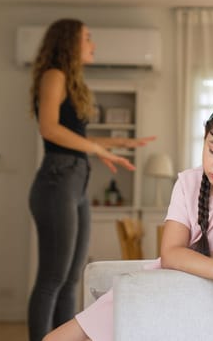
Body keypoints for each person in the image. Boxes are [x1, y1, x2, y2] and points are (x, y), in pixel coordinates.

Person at [42, 97, 213, 341]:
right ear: (204, 137)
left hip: (190, 293)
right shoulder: (187, 182)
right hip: (164, 283)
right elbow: (170, 253)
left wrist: (206, 267)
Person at [28, 18, 156, 341]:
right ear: (69, 42)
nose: (93, 44)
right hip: (58, 180)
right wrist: (100, 149)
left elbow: (73, 136)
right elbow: (49, 129)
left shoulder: (70, 81)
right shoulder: (54, 75)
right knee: (52, 278)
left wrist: (115, 145)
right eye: (87, 38)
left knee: (72, 277)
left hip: (75, 180)